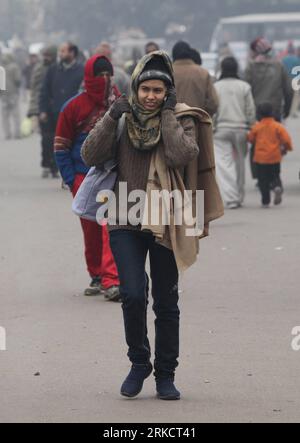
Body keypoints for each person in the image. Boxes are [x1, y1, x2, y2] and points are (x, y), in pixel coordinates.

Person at [82, 51, 223, 400]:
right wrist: (113, 113)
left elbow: (181, 154)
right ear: (135, 87)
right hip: (123, 214)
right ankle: (139, 361)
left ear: (167, 92)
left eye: (159, 90)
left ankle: (165, 374)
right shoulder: (119, 117)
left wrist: (169, 115)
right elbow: (90, 154)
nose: (150, 96)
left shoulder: (180, 118)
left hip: (166, 218)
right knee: (131, 293)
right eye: (146, 89)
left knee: (165, 300)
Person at [54, 55, 121, 300]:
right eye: (99, 75)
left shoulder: (120, 103)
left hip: (114, 176)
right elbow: (61, 147)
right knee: (91, 232)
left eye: (107, 74)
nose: (104, 79)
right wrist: (72, 181)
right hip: (85, 178)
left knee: (110, 228)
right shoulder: (73, 107)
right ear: (88, 77)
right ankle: (97, 274)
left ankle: (111, 279)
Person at [214, 57, 256, 209]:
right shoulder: (244, 86)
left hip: (221, 130)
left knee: (224, 164)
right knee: (239, 163)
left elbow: (213, 108)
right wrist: (252, 126)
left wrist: (212, 126)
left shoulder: (216, 86)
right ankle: (239, 194)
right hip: (241, 129)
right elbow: (250, 110)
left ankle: (231, 198)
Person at [39, 42, 84, 178]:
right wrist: (43, 110)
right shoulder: (53, 70)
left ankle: (72, 170)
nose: (60, 54)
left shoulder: (81, 70)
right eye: (60, 51)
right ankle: (53, 166)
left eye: (63, 51)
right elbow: (45, 91)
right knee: (54, 141)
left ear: (72, 53)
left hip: (74, 115)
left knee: (72, 143)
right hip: (55, 112)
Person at [248, 102, 293, 208]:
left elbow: (250, 138)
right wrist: (286, 148)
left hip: (260, 158)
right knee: (275, 174)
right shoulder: (278, 126)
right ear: (272, 113)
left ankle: (265, 200)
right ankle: (277, 186)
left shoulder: (257, 127)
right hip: (275, 157)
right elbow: (286, 140)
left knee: (262, 180)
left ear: (259, 114)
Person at [245, 38, 293, 122]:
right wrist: (287, 109)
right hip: (275, 110)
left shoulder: (250, 67)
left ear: (255, 51)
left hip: (256, 111)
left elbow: (245, 90)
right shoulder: (279, 66)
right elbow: (288, 90)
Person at [27, 46, 58, 174]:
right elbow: (34, 90)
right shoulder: (39, 69)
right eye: (44, 55)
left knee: (57, 140)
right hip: (43, 107)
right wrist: (34, 109)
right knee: (46, 138)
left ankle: (54, 166)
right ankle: (46, 163)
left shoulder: (59, 68)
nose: (46, 58)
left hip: (57, 108)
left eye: (48, 55)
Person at [172, 41, 219, 117]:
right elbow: (213, 103)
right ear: (190, 54)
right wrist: (203, 115)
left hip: (172, 123)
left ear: (173, 55)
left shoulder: (168, 73)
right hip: (197, 123)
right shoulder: (203, 73)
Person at [0, 53, 21, 140]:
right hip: (13, 94)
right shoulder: (14, 67)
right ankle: (17, 134)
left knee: (5, 116)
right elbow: (18, 80)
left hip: (3, 95)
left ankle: (7, 134)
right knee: (15, 115)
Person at [282, 42, 300, 118]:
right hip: (296, 80)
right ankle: (293, 111)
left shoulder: (284, 59)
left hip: (286, 80)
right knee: (296, 97)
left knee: (286, 96)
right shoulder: (297, 60)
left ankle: (285, 110)